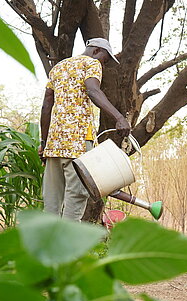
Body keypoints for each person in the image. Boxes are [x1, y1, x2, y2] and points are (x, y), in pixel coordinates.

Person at [39, 37, 130, 222]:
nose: (102, 65)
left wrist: (44, 143)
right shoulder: (91, 63)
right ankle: (68, 249)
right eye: (104, 60)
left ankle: (46, 248)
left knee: (51, 205)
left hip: (54, 145)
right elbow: (93, 91)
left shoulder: (59, 68)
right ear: (96, 51)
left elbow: (46, 106)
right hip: (78, 143)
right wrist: (119, 117)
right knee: (76, 198)